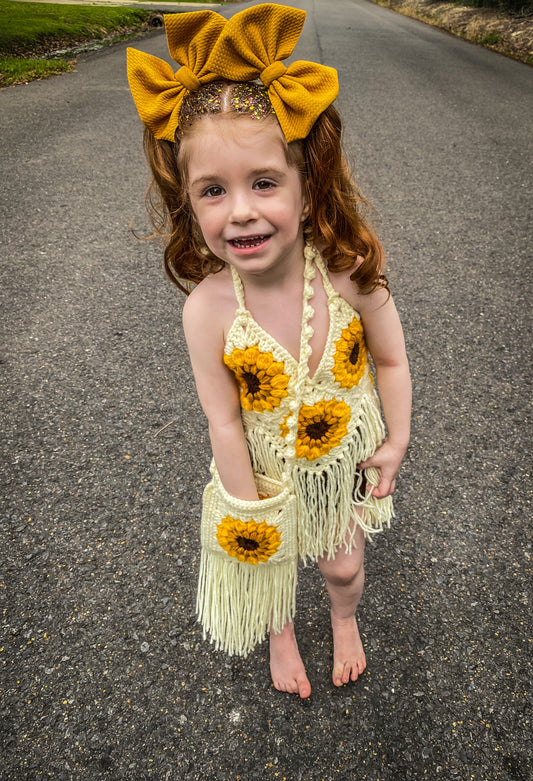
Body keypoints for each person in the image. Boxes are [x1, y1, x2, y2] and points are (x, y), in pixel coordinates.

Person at [127, 4, 411, 699]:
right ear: (189, 205)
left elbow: (392, 361)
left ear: (307, 189)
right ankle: (279, 631)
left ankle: (343, 617)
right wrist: (251, 507)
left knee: (343, 567)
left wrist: (396, 439)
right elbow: (223, 420)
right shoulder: (207, 310)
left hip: (340, 461)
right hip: (261, 472)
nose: (241, 210)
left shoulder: (346, 272)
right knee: (271, 566)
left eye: (263, 182)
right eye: (213, 191)